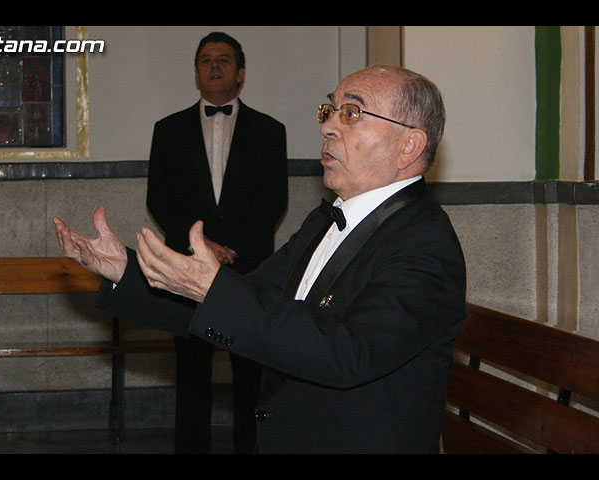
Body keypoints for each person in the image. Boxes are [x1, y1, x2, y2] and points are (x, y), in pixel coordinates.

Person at [54, 65, 466, 453]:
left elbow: (347, 353)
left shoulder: (424, 243)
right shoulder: (322, 221)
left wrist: (212, 290)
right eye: (330, 110)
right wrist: (126, 270)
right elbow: (243, 299)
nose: (327, 126)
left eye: (352, 113)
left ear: (408, 145)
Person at [144, 32, 288, 453]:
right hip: (187, 268)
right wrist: (204, 246)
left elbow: (273, 200)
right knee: (191, 373)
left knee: (250, 374)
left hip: (249, 270)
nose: (215, 66)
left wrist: (231, 250)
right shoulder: (168, 130)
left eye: (224, 60)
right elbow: (159, 198)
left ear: (240, 74)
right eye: (206, 60)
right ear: (196, 73)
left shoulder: (270, 131)